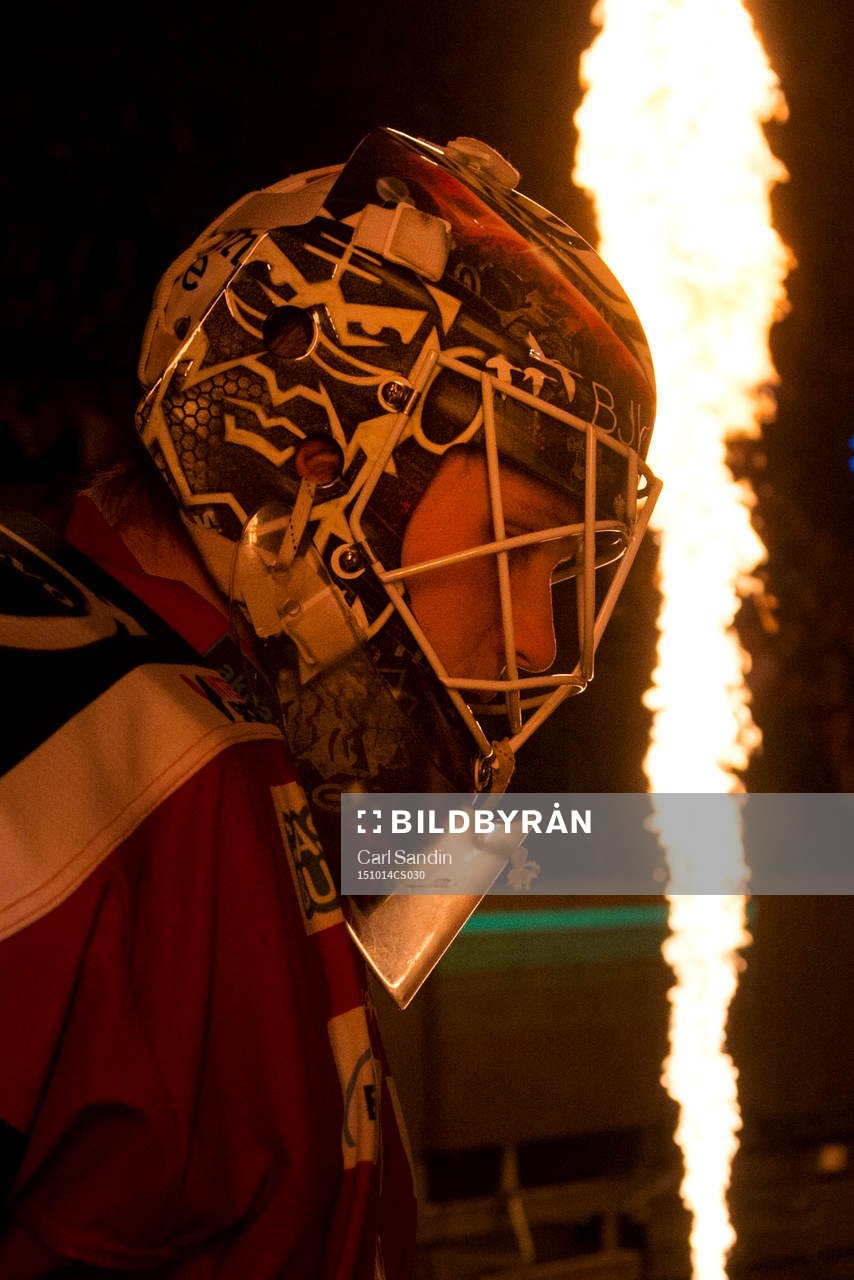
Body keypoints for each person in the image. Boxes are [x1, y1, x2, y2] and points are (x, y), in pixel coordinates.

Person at [0, 126, 659, 1275]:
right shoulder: (102, 765)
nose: (539, 638)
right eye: (512, 543)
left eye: (560, 574)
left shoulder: (236, 763)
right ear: (311, 458)